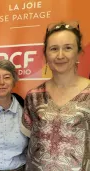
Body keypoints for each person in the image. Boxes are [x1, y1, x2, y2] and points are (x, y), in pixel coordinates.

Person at [21, 21, 90, 170]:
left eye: (68, 48)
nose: (60, 55)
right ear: (46, 54)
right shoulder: (33, 96)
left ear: (78, 51)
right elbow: (28, 136)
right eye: (54, 49)